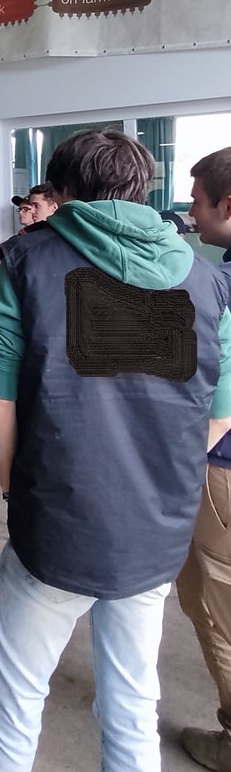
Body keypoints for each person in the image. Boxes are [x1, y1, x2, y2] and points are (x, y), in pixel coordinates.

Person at [0, 129, 231, 772]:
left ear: (61, 194)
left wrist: (15, 489)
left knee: (15, 705)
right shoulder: (204, 281)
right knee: (134, 705)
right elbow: (217, 416)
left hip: (57, 525)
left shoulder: (26, 262)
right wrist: (157, 479)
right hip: (154, 532)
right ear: (141, 188)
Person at [176, 146, 231, 771]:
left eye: (197, 199)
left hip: (223, 466)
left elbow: (220, 400)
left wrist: (180, 466)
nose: (191, 211)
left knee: (218, 600)